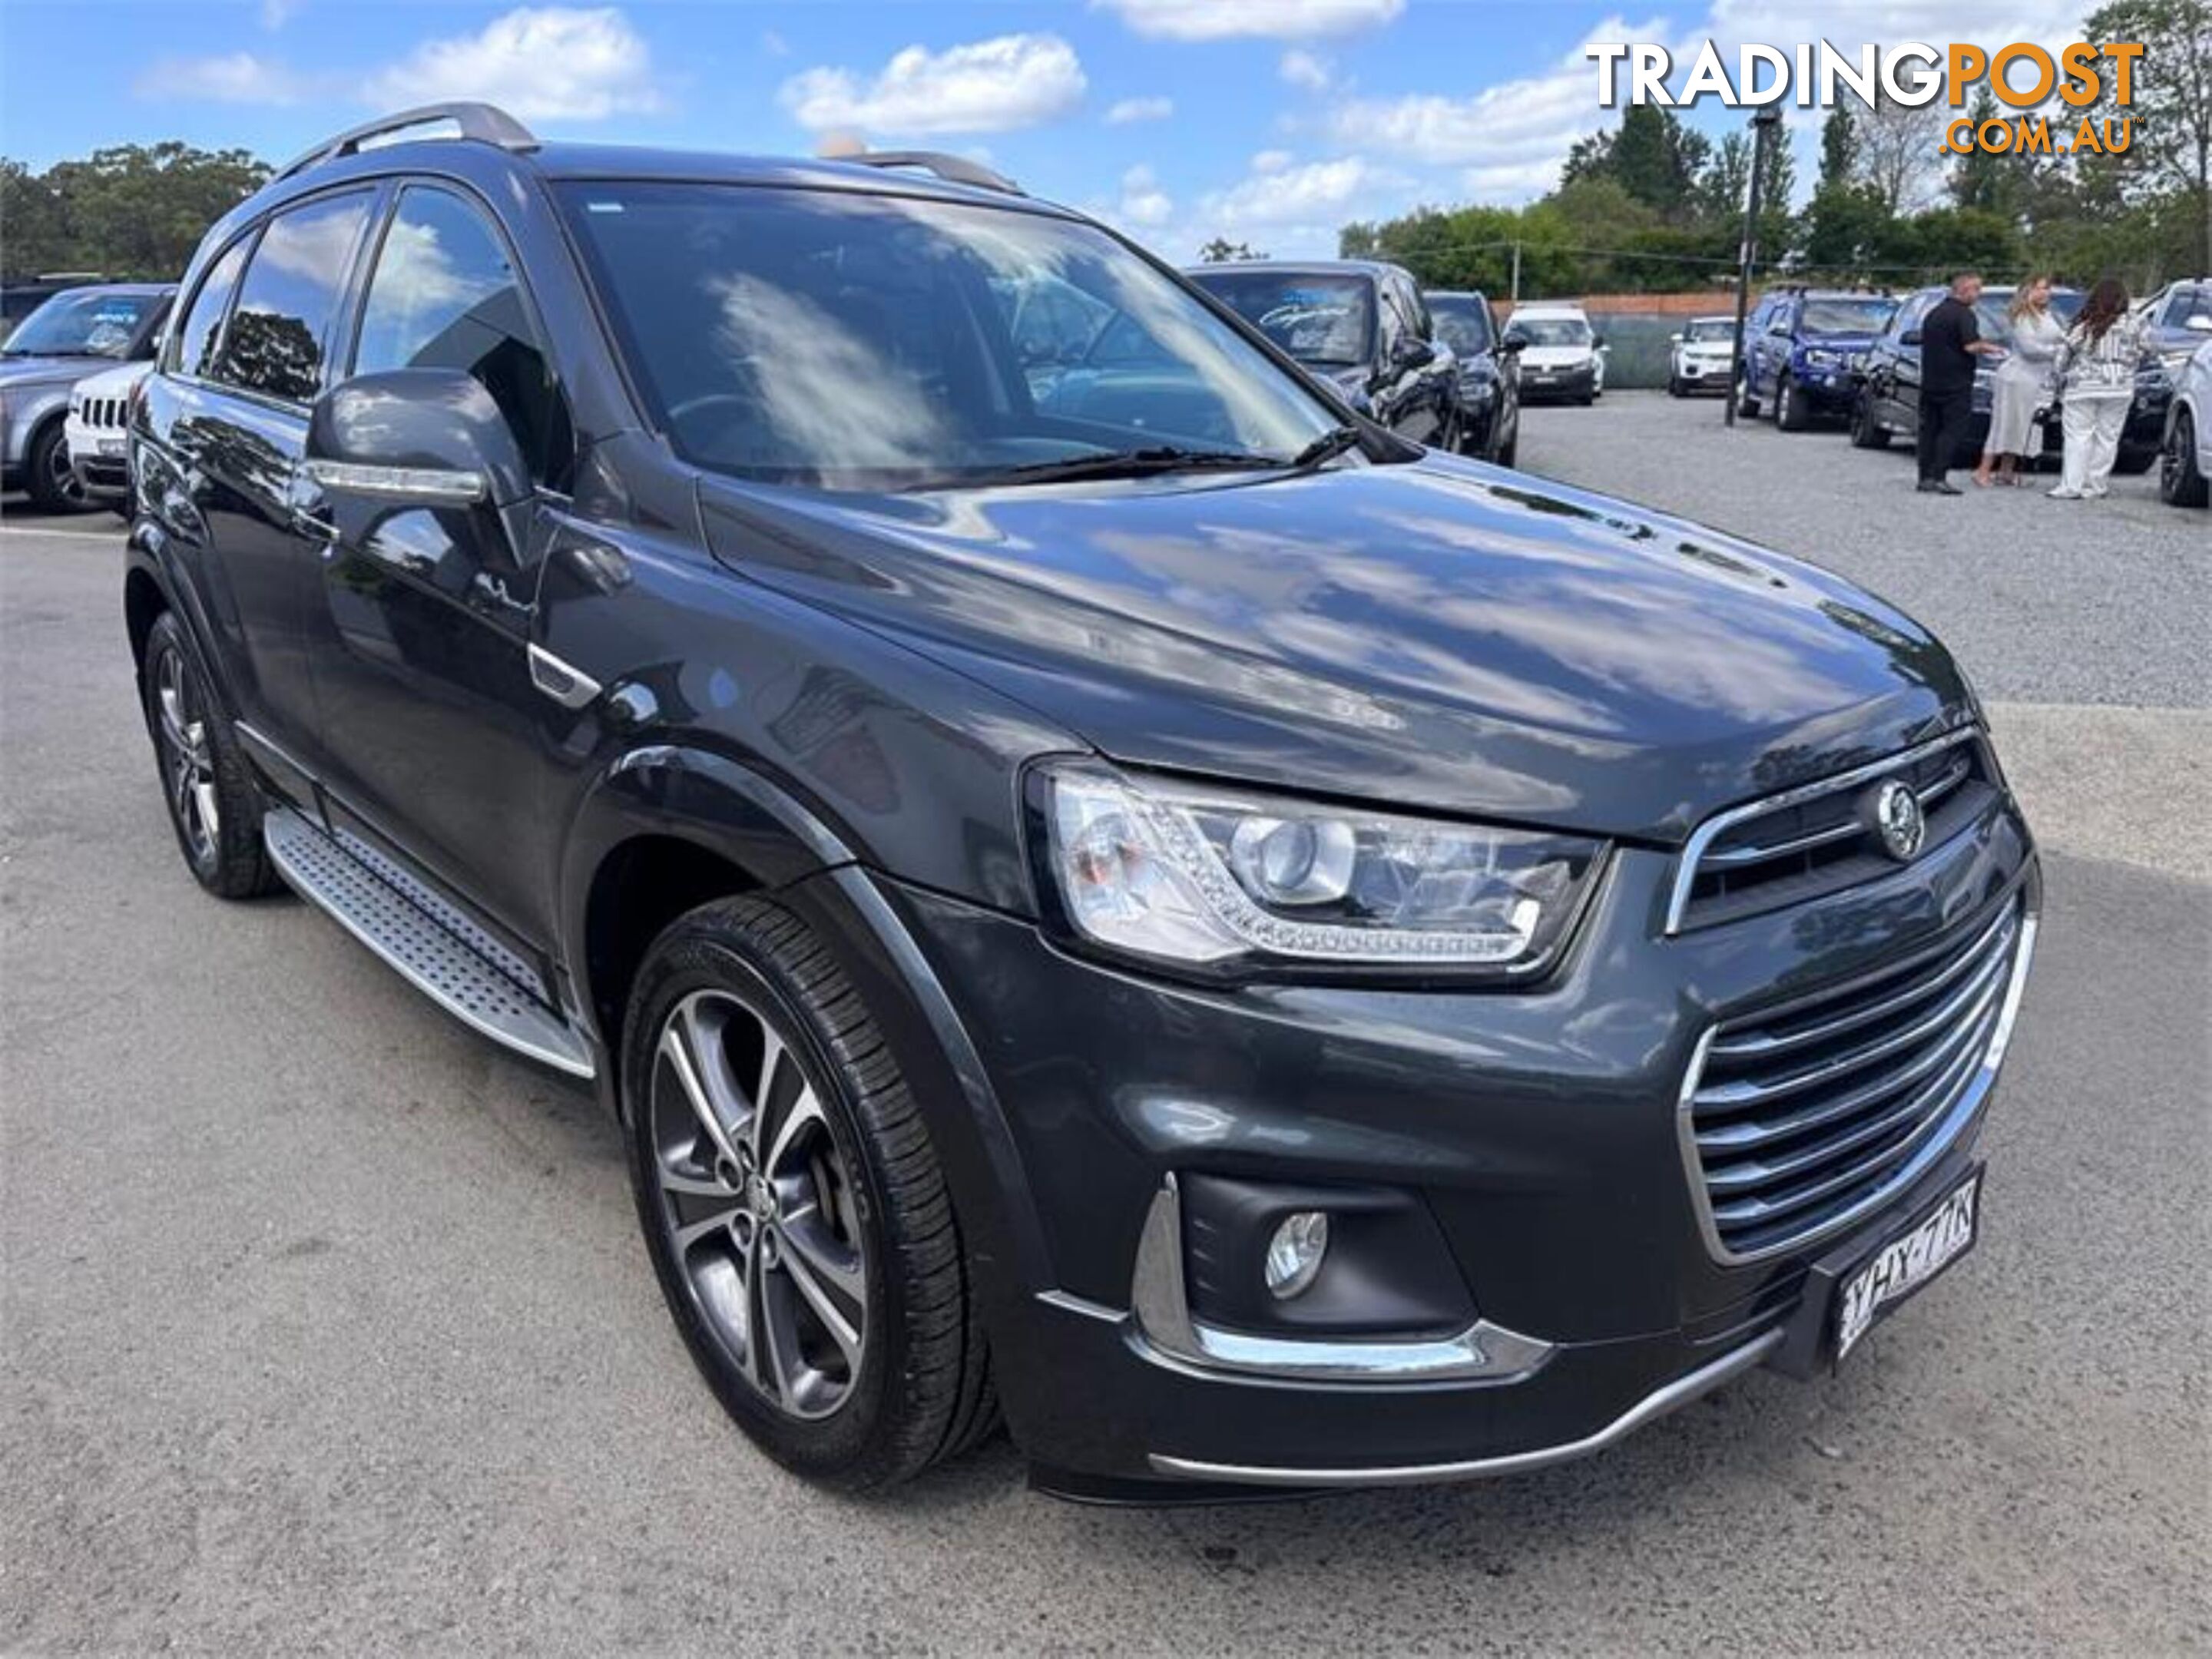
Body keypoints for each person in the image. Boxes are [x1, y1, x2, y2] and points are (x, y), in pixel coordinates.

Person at [2048, 276, 2147, 500]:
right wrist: (2132, 361)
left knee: (2078, 436)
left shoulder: (2083, 324)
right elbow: (2150, 348)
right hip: (2119, 385)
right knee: (2107, 437)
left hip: (2083, 385)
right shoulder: (2136, 322)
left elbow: (2061, 358)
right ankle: (2095, 485)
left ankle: (2071, 485)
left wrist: (2054, 386)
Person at [1974, 275, 2065, 488]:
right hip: (2018, 376)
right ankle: (1983, 470)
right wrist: (2058, 352)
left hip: (2036, 378)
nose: (2045, 293)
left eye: (2047, 289)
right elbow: (2029, 349)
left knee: (2021, 425)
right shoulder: (2023, 316)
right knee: (2004, 423)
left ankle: (2007, 470)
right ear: (2028, 291)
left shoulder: (2048, 315)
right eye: (2039, 289)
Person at [1916, 271, 2002, 494]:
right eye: (1976, 289)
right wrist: (1992, 348)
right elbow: (1970, 345)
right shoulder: (1964, 315)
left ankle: (1924, 476)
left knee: (1930, 430)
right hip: (1956, 382)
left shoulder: (1934, 313)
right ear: (1964, 290)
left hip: (1931, 380)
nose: (1978, 295)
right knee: (1952, 430)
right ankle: (1939, 476)